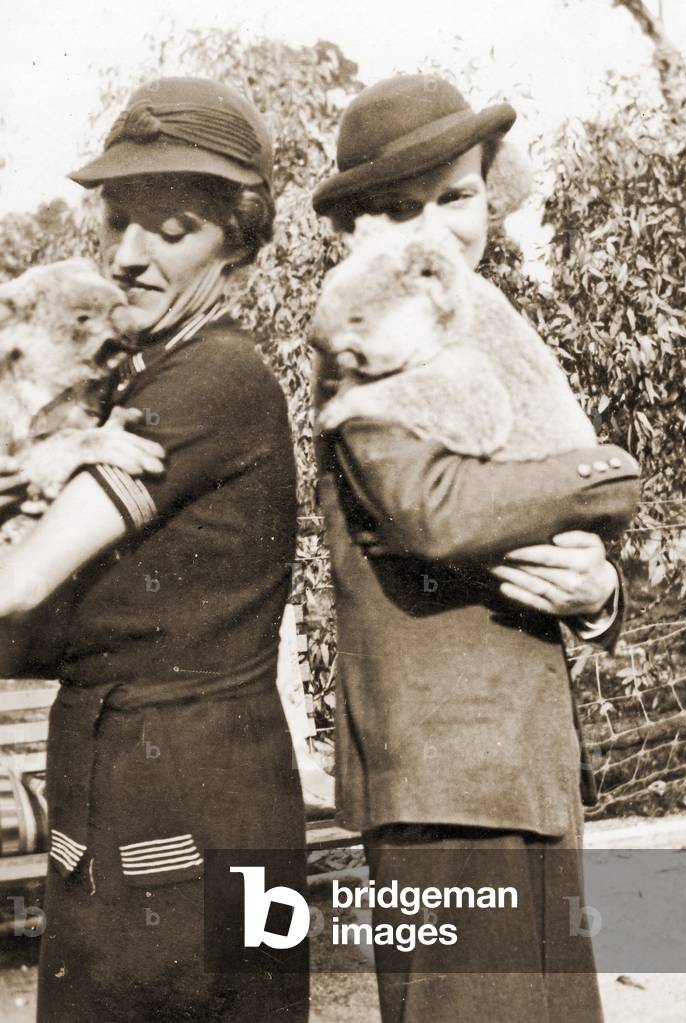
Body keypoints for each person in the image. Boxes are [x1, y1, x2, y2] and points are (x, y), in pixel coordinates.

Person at [312, 74, 641, 1022]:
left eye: (456, 198)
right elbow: (436, 510)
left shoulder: (479, 322)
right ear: (357, 231)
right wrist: (606, 475)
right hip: (445, 785)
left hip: (523, 770)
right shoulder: (365, 326)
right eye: (400, 209)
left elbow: (522, 508)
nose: (436, 231)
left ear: (491, 194)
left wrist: (596, 593)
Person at [0, 77, 308, 1022]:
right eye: (118, 223)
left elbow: (15, 590)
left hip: (200, 828)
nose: (128, 257)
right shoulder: (136, 382)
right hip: (131, 821)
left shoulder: (211, 379)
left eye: (171, 230)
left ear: (238, 241)